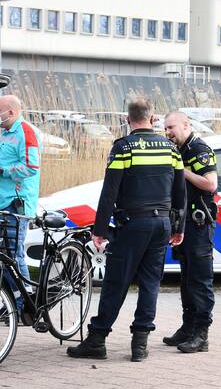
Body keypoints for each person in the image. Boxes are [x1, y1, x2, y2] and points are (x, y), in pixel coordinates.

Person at [67, 97, 186, 362]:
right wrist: (178, 227)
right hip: (161, 225)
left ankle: (97, 340)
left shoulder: (124, 148)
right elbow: (180, 193)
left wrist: (99, 230)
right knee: (150, 284)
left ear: (127, 119)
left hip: (133, 225)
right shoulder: (170, 148)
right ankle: (140, 345)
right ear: (152, 117)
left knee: (115, 283)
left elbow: (110, 192)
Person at [162, 111, 217, 353]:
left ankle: (201, 335)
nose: (168, 132)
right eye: (166, 128)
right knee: (186, 279)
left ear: (186, 125)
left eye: (171, 127)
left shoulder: (199, 149)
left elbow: (210, 183)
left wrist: (180, 170)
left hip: (199, 224)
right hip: (183, 224)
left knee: (200, 280)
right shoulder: (180, 149)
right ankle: (187, 328)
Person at [0, 95, 42, 300]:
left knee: (14, 255)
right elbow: (6, 160)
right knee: (3, 255)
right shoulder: (5, 132)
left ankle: (25, 303)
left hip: (15, 204)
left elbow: (31, 167)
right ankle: (10, 303)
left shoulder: (25, 131)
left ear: (11, 112)